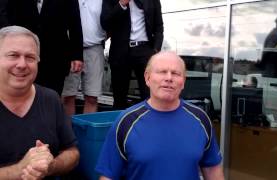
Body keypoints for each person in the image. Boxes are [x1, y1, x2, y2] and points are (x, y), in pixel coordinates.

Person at [95, 51, 225, 180]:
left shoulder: (200, 119)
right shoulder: (126, 122)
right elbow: (108, 176)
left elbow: (213, 170)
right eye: (162, 71)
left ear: (183, 81)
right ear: (147, 78)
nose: (169, 78)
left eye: (175, 73)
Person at [0, 26, 79, 180]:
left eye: (30, 57)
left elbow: (72, 153)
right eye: (13, 55)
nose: (22, 64)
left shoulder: (50, 99)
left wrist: (51, 166)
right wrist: (19, 170)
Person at [0, 0, 83, 95]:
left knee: (52, 97)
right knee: (20, 95)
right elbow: (4, 15)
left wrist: (77, 55)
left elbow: (75, 22)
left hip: (56, 57)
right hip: (22, 56)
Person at [100, 0, 164, 109]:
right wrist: (121, 4)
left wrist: (156, 51)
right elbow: (105, 23)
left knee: (149, 97)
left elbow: (159, 26)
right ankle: (121, 125)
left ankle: (148, 124)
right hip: (120, 51)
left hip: (145, 51)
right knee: (119, 99)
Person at [62, 0, 106, 116]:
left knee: (92, 97)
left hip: (94, 49)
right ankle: (68, 132)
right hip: (70, 50)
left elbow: (110, 21)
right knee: (67, 96)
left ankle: (87, 133)